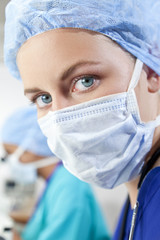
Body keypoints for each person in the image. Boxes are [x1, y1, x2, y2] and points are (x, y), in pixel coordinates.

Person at [4, 0, 160, 239]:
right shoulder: (140, 191)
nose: (60, 117)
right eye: (43, 98)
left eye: (85, 81)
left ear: (151, 73)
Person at [0, 106, 110, 240]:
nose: (11, 161)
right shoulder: (57, 180)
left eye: (10, 153)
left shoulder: (69, 184)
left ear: (31, 147)